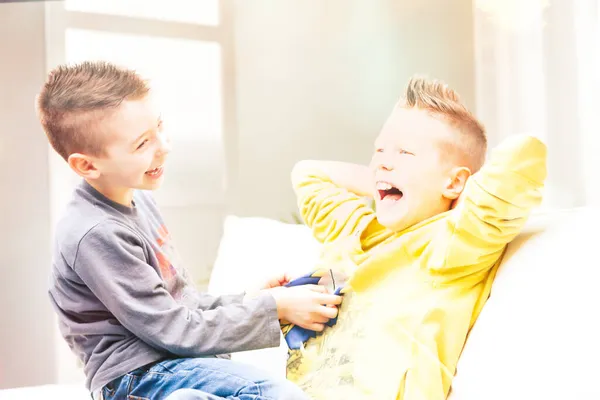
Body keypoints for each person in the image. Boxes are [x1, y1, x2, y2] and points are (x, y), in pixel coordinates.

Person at [36, 61, 342, 400]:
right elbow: (174, 330)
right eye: (142, 144)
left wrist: (250, 300)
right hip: (137, 375)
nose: (164, 147)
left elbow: (178, 307)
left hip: (169, 362)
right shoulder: (96, 233)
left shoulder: (138, 201)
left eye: (160, 128)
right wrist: (274, 308)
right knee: (274, 393)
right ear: (87, 165)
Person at [285, 76, 547, 399]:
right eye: (379, 149)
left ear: (455, 184)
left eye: (405, 152)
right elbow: (307, 173)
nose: (382, 160)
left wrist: (454, 197)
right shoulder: (355, 230)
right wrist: (384, 177)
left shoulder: (450, 246)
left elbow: (523, 158)